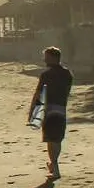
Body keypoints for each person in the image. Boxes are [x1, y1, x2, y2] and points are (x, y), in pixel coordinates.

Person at [29, 47, 73, 178]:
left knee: (50, 139)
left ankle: (55, 168)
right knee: (57, 139)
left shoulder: (46, 74)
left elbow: (38, 94)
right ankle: (54, 165)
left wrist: (32, 111)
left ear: (53, 58)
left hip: (48, 109)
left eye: (46, 57)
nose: (44, 59)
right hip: (61, 108)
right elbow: (67, 91)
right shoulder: (67, 73)